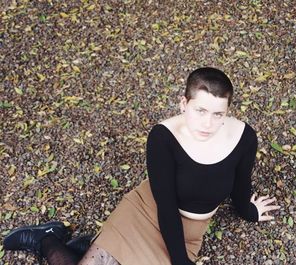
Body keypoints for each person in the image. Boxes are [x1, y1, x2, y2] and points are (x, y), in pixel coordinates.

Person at [3, 67, 281, 265]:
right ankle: (48, 239)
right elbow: (167, 206)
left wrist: (248, 210)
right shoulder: (163, 136)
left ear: (228, 111)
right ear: (183, 104)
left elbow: (240, 183)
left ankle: (81, 247)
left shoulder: (243, 136)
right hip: (147, 213)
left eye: (218, 114)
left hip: (187, 233)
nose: (208, 123)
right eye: (200, 110)